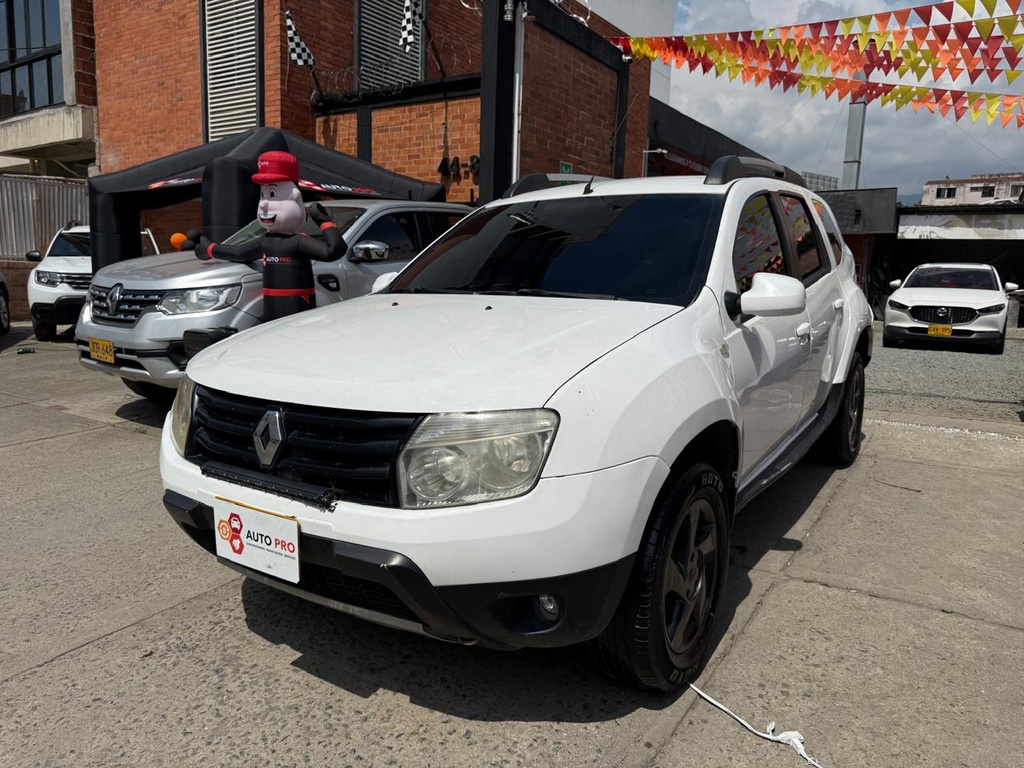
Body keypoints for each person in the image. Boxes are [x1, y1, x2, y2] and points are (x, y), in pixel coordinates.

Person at [194, 150, 345, 321]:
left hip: (297, 310)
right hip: (272, 310)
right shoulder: (267, 241)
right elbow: (239, 253)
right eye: (263, 195)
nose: (265, 204)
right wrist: (211, 249)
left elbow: (333, 251)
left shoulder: (297, 242)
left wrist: (325, 222)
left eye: (272, 195)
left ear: (296, 197)